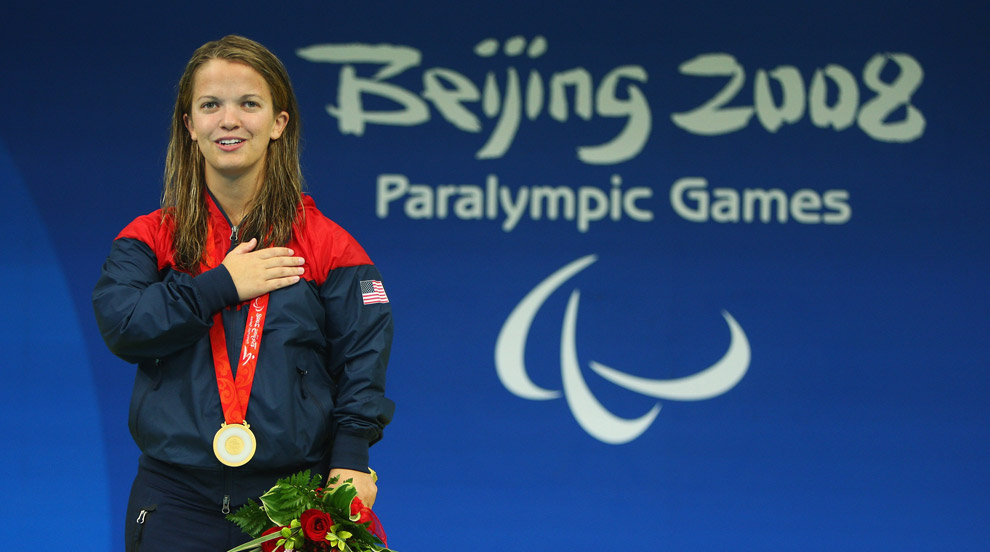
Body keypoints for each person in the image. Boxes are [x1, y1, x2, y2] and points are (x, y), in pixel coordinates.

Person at [93, 35, 394, 552]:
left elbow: (362, 360)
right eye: (210, 105)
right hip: (175, 502)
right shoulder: (151, 237)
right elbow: (125, 328)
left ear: (279, 122)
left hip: (294, 502)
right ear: (190, 125)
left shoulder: (328, 245)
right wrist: (221, 285)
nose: (228, 120)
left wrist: (351, 457)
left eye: (249, 104)